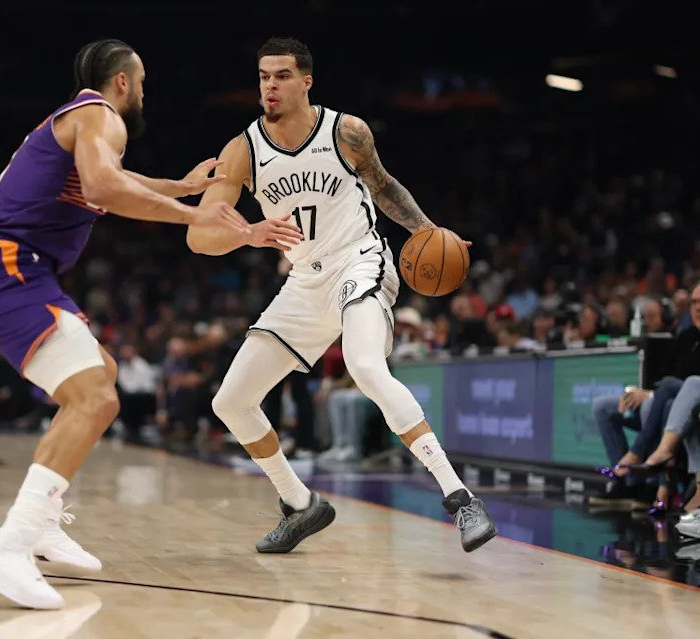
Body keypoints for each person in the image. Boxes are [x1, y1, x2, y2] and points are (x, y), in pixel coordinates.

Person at [0, 38, 250, 609]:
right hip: (4, 266)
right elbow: (105, 186)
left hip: (6, 268)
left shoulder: (84, 125)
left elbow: (113, 182)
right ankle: (7, 547)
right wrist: (192, 213)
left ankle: (38, 525)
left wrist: (183, 187)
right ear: (122, 83)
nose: (143, 92)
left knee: (101, 376)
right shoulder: (102, 116)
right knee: (96, 399)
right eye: (141, 82)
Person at [188, 37, 497, 554]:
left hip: (361, 260)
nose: (270, 85)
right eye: (264, 76)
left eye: (282, 75)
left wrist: (427, 230)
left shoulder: (345, 131)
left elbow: (384, 186)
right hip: (305, 281)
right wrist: (248, 232)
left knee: (368, 367)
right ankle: (300, 504)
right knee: (231, 401)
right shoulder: (242, 150)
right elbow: (199, 235)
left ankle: (461, 497)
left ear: (306, 81)